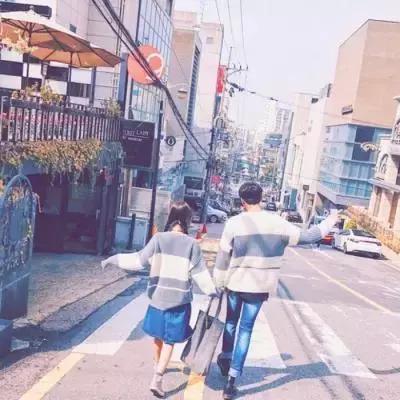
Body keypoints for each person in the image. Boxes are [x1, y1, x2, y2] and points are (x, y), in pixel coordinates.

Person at [214, 182, 338, 400]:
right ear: (261, 198)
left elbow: (223, 256)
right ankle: (232, 381)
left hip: (234, 283)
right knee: (246, 329)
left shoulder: (234, 223)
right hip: (258, 288)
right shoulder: (278, 223)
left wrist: (219, 282)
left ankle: (225, 357)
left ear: (242, 201)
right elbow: (309, 237)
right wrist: (331, 220)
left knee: (231, 322)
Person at [102, 201, 217, 398]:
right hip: (179, 302)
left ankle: (157, 364)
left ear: (170, 217)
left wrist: (113, 259)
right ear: (188, 220)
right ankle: (157, 377)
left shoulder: (158, 239)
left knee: (157, 335)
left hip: (158, 298)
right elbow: (201, 275)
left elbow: (137, 260)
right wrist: (212, 291)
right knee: (170, 340)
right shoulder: (191, 244)